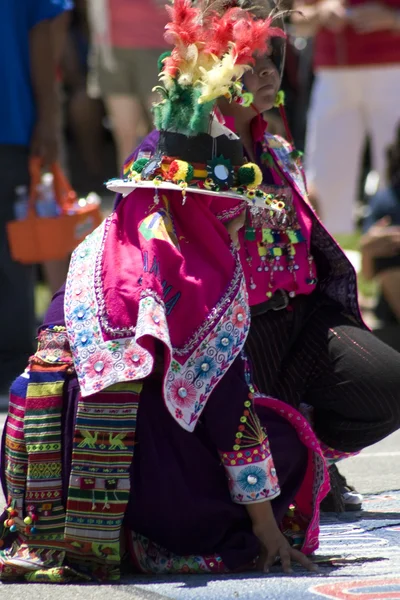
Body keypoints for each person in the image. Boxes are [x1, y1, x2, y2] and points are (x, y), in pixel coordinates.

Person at [1, 0, 400, 584]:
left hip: (286, 324)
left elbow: (311, 251)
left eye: (275, 62)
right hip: (215, 344)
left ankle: (307, 448)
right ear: (213, 75)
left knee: (382, 384)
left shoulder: (277, 153)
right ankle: (287, 464)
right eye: (250, 64)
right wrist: (266, 529)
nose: (267, 75)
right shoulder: (171, 176)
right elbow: (217, 388)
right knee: (258, 438)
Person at [0, 0, 73, 398]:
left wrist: (48, 117)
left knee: (12, 256)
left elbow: (45, 32)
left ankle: (10, 365)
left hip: (10, 128)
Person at [292, 0, 400, 235]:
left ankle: (391, 258)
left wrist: (393, 19)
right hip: (334, 74)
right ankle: (328, 259)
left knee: (397, 171)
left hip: (394, 70)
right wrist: (322, 12)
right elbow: (297, 19)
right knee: (325, 177)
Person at [86, 0, 168, 170]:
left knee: (164, 134)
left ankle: (165, 194)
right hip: (111, 48)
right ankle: (128, 196)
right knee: (126, 138)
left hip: (159, 47)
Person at [360, 125, 400, 352]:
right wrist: (368, 248)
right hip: (391, 315)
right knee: (389, 264)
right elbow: (370, 273)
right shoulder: (388, 200)